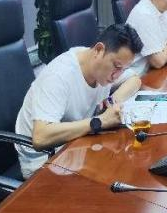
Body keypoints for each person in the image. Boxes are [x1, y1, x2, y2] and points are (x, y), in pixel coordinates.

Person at [15, 24, 144, 178]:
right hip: (43, 160)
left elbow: (134, 79)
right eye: (116, 67)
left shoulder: (98, 64)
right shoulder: (59, 76)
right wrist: (100, 121)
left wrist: (111, 102)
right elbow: (40, 137)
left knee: (127, 165)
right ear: (98, 50)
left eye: (123, 69)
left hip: (76, 144)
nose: (117, 76)